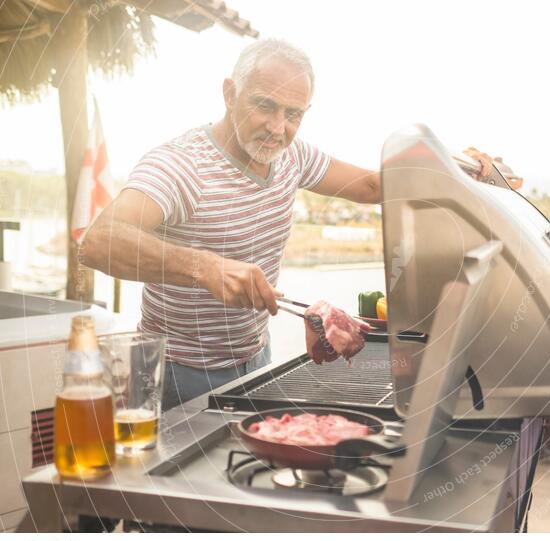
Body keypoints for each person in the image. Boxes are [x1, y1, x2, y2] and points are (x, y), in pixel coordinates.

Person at [81, 38, 495, 411]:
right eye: (264, 105)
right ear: (229, 93)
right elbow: (99, 242)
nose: (278, 128)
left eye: (293, 114)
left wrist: (455, 169)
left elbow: (371, 186)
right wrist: (204, 267)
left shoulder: (292, 156)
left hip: (256, 358)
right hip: (175, 371)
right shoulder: (179, 166)